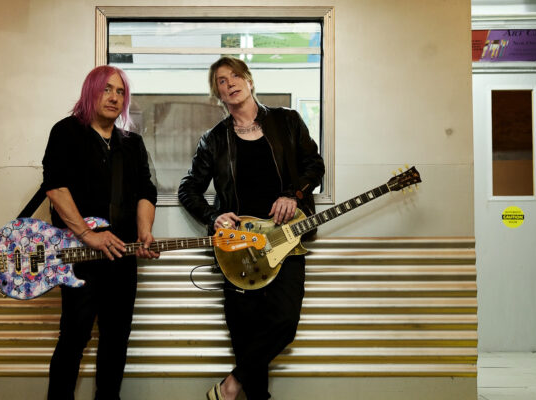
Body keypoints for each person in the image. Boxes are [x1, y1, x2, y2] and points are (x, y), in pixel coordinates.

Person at [178, 56, 325, 400]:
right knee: (245, 332)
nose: (229, 83)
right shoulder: (214, 139)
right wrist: (213, 217)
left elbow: (314, 164)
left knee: (284, 322)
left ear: (249, 80)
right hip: (237, 247)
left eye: (234, 76)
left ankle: (230, 386)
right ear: (217, 94)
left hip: (286, 239)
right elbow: (188, 189)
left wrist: (293, 194)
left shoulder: (287, 121)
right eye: (221, 81)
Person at [41, 65, 159, 400]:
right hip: (79, 258)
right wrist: (87, 234)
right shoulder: (66, 132)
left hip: (122, 257)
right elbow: (55, 186)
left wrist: (144, 231)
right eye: (107, 89)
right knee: (73, 339)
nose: (114, 97)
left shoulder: (131, 144)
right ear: (91, 91)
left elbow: (146, 191)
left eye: (120, 92)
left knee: (116, 339)